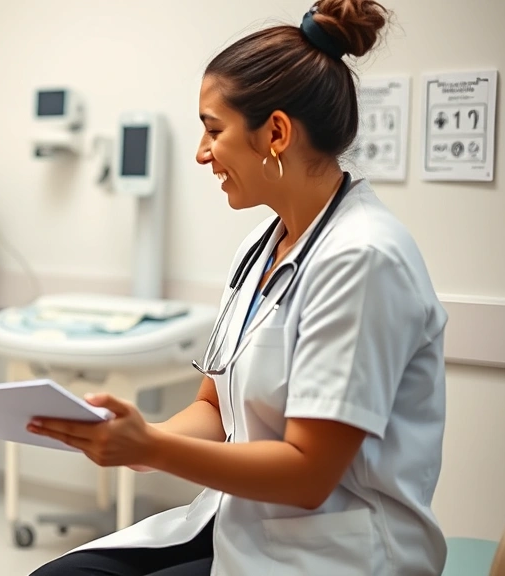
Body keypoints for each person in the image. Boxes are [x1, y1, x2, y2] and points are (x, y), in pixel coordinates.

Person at [28, 1, 448, 575]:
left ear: (275, 132)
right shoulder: (260, 248)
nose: (203, 153)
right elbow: (214, 408)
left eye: (213, 130)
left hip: (338, 552)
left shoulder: (363, 258)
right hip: (249, 525)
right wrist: (134, 437)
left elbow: (308, 474)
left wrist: (150, 448)